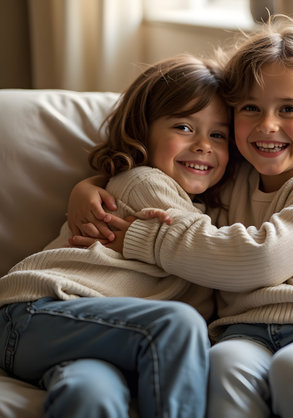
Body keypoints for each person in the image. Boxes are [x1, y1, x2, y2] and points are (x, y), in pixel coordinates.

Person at [69, 18, 293, 418]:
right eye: (250, 108)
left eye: (288, 109)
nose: (267, 125)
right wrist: (91, 184)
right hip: (246, 330)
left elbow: (265, 259)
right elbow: (166, 183)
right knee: (220, 366)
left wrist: (144, 239)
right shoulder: (230, 178)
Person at [0, 54, 234, 418]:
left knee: (91, 394)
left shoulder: (211, 211)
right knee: (177, 325)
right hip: (39, 311)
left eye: (218, 134)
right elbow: (212, 251)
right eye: (185, 127)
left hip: (97, 339)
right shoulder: (145, 181)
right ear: (143, 130)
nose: (204, 144)